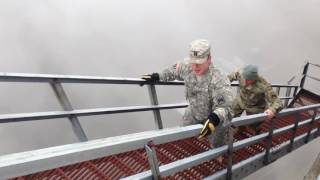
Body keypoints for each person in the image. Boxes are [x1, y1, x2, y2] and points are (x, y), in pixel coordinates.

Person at [141, 39, 234, 149]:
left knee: (218, 145)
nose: (194, 67)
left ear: (209, 59)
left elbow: (225, 107)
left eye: (199, 63)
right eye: (192, 62)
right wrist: (157, 76)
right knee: (182, 136)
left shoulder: (219, 79)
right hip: (193, 112)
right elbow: (174, 71)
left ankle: (219, 155)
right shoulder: (187, 65)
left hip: (213, 118)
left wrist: (214, 118)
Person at [228, 64, 283, 134]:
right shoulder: (240, 73)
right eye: (244, 78)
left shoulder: (263, 85)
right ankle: (238, 127)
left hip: (255, 107)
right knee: (230, 115)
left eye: (248, 80)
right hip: (241, 100)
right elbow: (228, 78)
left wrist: (272, 110)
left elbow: (278, 102)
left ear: (254, 79)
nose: (245, 82)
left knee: (254, 124)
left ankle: (257, 131)